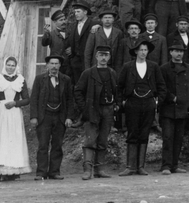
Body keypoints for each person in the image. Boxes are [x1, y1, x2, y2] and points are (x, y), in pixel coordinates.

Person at [118, 40, 163, 176]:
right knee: (132, 132)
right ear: (136, 51)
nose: (143, 52)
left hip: (149, 103)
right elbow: (120, 86)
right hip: (132, 102)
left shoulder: (154, 66)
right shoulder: (127, 66)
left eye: (145, 50)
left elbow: (161, 86)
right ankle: (130, 166)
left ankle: (141, 167)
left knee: (144, 133)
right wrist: (122, 102)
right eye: (141, 50)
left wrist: (157, 102)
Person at [0, 57, 32, 181]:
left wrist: (15, 103)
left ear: (16, 67)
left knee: (14, 140)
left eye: (13, 65)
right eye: (8, 65)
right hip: (2, 112)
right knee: (2, 139)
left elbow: (27, 99)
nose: (10, 68)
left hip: (15, 113)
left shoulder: (21, 79)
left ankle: (12, 172)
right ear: (5, 66)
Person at [30, 54, 75, 181]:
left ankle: (54, 172)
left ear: (60, 65)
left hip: (60, 117)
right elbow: (34, 98)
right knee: (43, 145)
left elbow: (70, 99)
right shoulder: (39, 79)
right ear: (47, 65)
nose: (54, 66)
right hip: (44, 116)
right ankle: (41, 172)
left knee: (57, 145)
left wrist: (69, 117)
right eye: (52, 63)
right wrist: (34, 117)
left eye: (56, 64)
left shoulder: (66, 79)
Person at [76, 47, 118, 180]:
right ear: (96, 57)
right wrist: (85, 108)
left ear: (109, 57)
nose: (103, 58)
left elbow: (117, 91)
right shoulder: (88, 73)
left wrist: (116, 104)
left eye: (106, 55)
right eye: (101, 55)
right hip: (92, 110)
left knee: (103, 140)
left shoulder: (112, 73)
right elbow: (78, 91)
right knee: (90, 140)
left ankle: (100, 169)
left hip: (108, 110)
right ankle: (87, 170)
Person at [159, 43, 189, 175]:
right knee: (168, 137)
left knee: (178, 139)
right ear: (170, 52)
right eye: (176, 51)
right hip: (168, 109)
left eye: (181, 51)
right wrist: (172, 98)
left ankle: (175, 166)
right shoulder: (164, 68)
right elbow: (161, 87)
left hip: (183, 110)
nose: (179, 54)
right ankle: (166, 166)